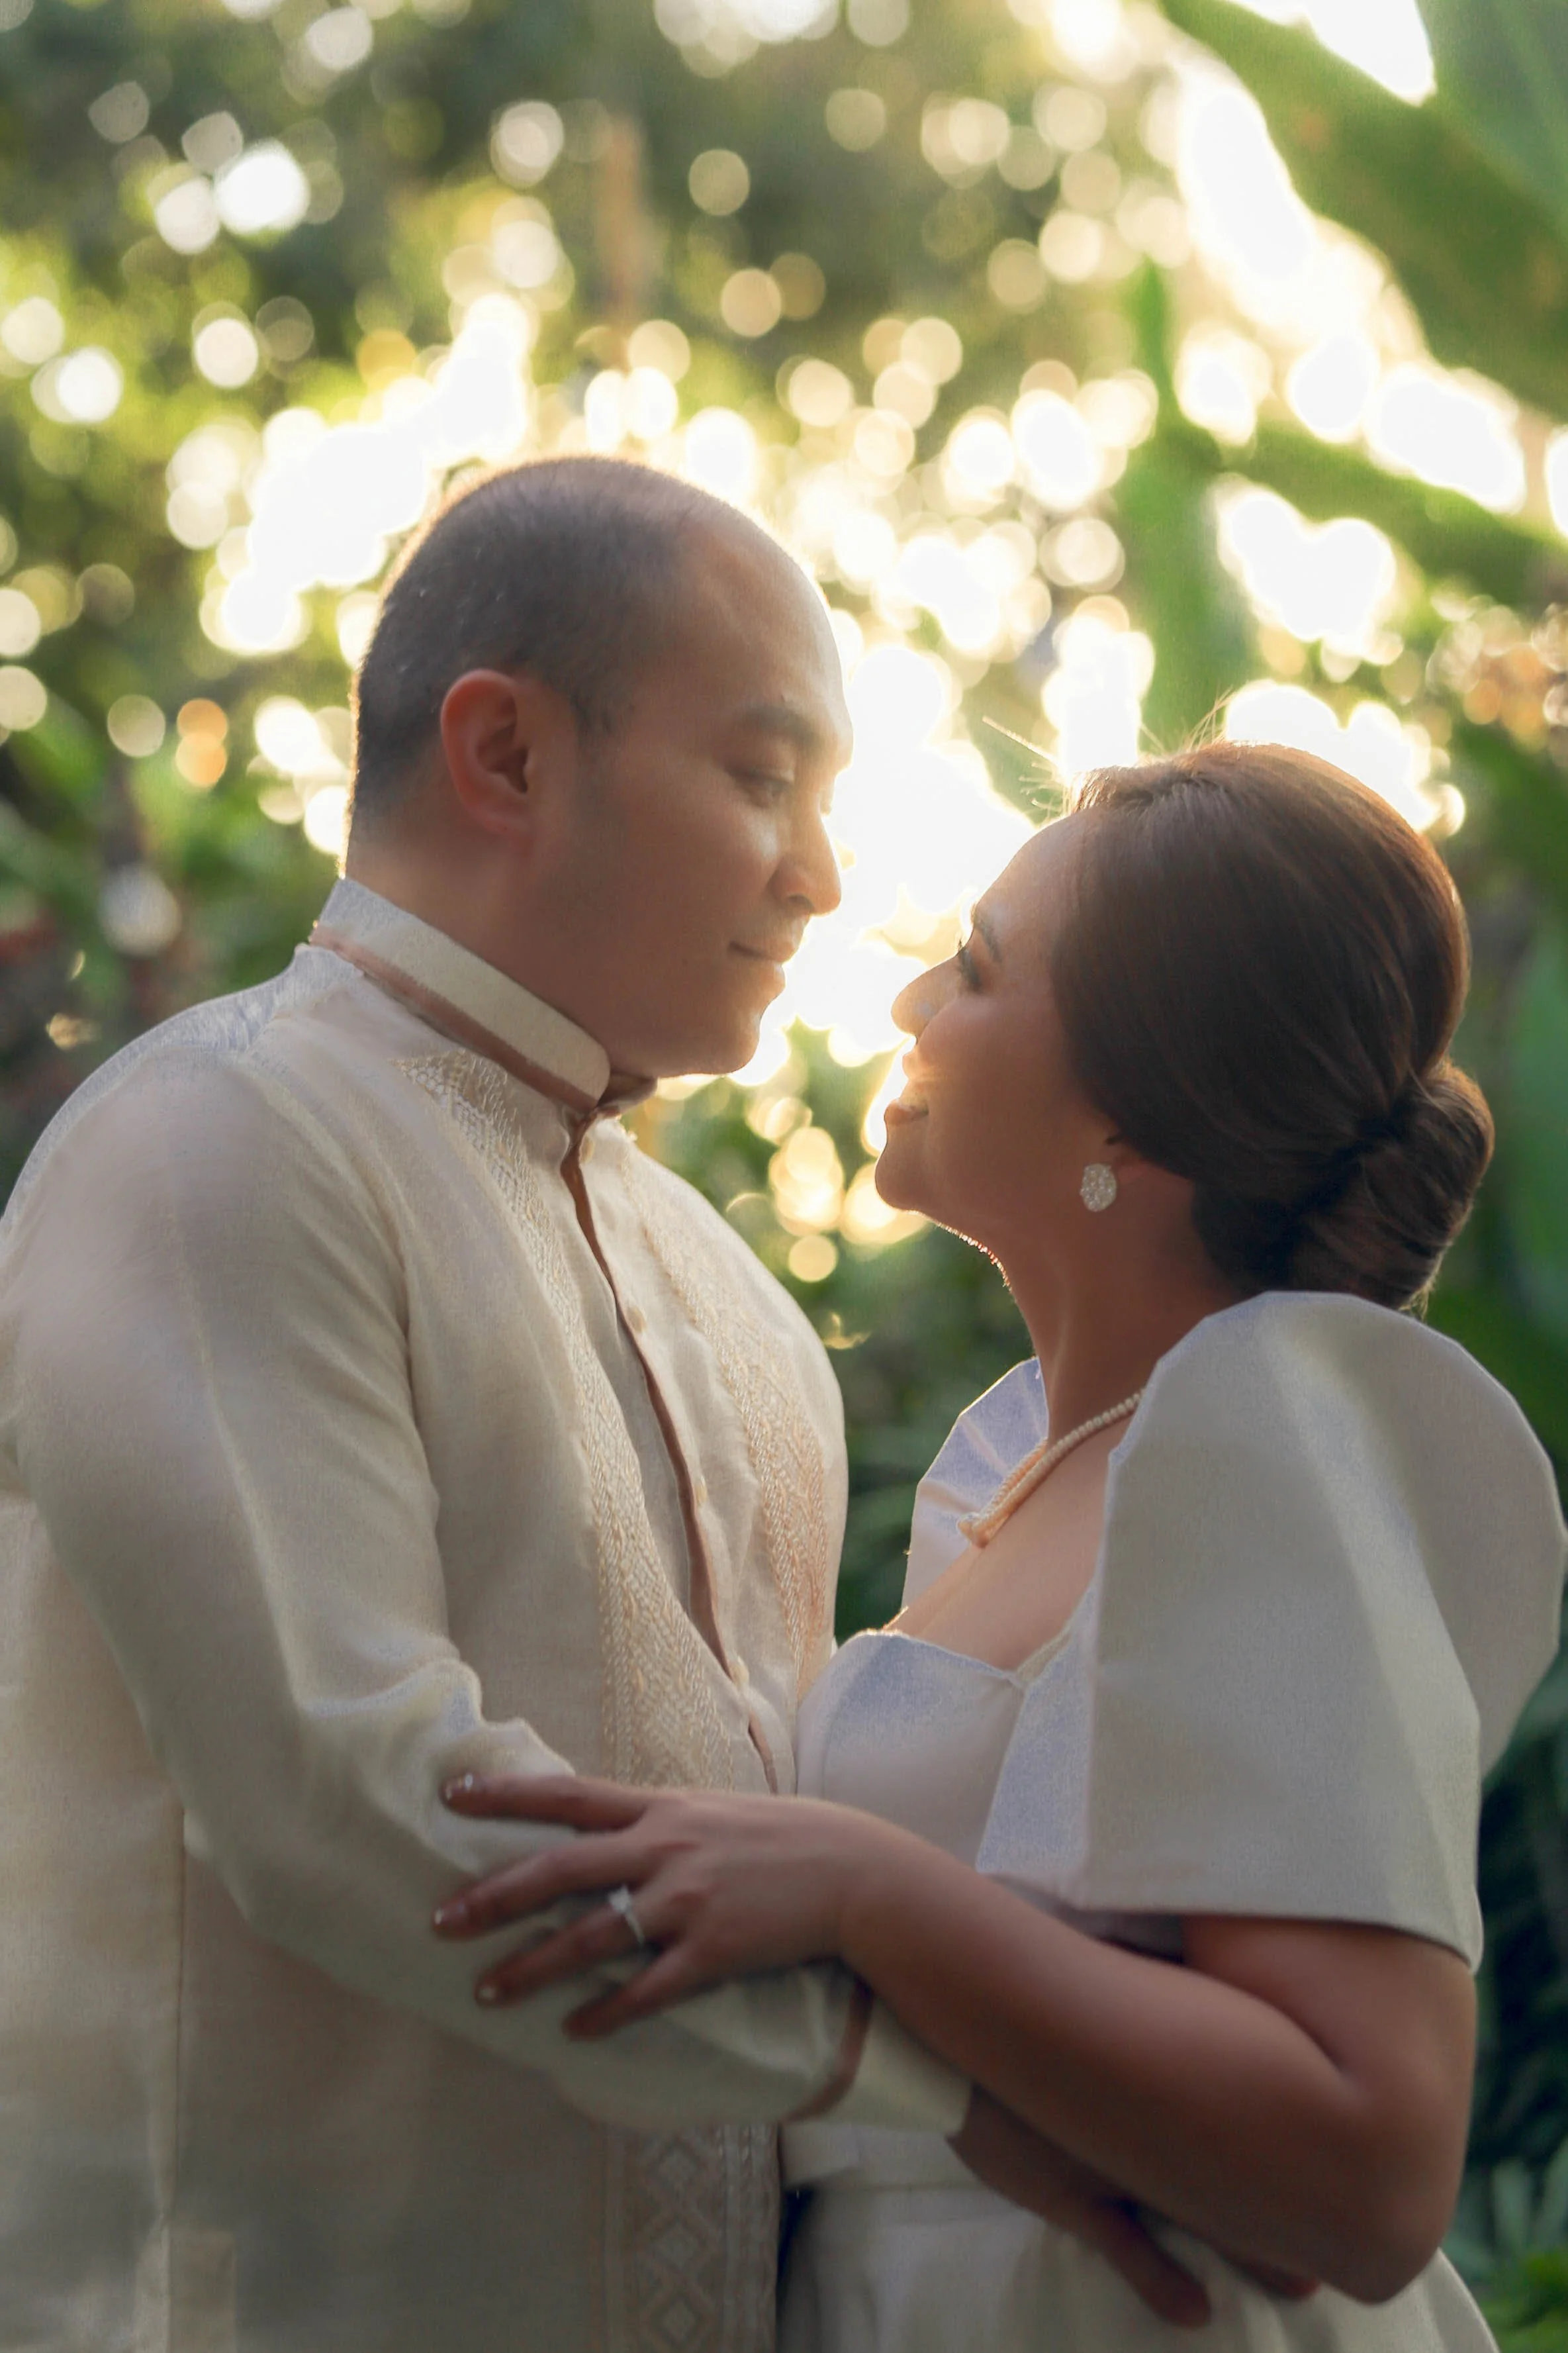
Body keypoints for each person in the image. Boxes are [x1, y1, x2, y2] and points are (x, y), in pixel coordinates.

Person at [0, 456, 988, 2353]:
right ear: (507, 754)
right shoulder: (221, 1139)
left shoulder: (739, 1299)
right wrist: (984, 2081)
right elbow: (351, 1803)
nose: (822, 876)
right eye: (764, 776)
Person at [432, 744, 1568, 2351]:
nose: (906, 1003)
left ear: (1128, 1102)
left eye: (972, 966)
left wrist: (858, 1889)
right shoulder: (1023, 1463)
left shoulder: (1258, 1444)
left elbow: (1370, 2168)